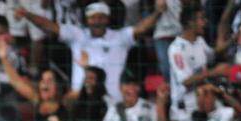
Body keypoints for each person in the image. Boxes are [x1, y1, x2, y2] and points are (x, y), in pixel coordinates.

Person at [17, 0, 163, 103]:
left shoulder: (119, 37)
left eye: (101, 17)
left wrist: (158, 12)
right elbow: (50, 26)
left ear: (107, 19)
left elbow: (142, 28)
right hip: (81, 97)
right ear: (87, 20)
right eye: (93, 18)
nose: (97, 21)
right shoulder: (77, 35)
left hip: (113, 97)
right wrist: (28, 15)